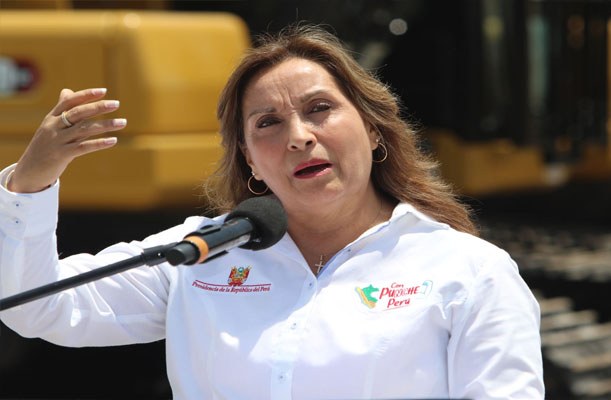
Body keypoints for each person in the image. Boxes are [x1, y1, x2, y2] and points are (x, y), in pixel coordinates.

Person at [0, 25, 544, 399]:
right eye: (268, 123)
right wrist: (30, 182)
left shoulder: (470, 271)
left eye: (320, 109)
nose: (299, 137)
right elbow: (37, 306)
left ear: (374, 130)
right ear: (250, 162)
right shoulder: (201, 252)